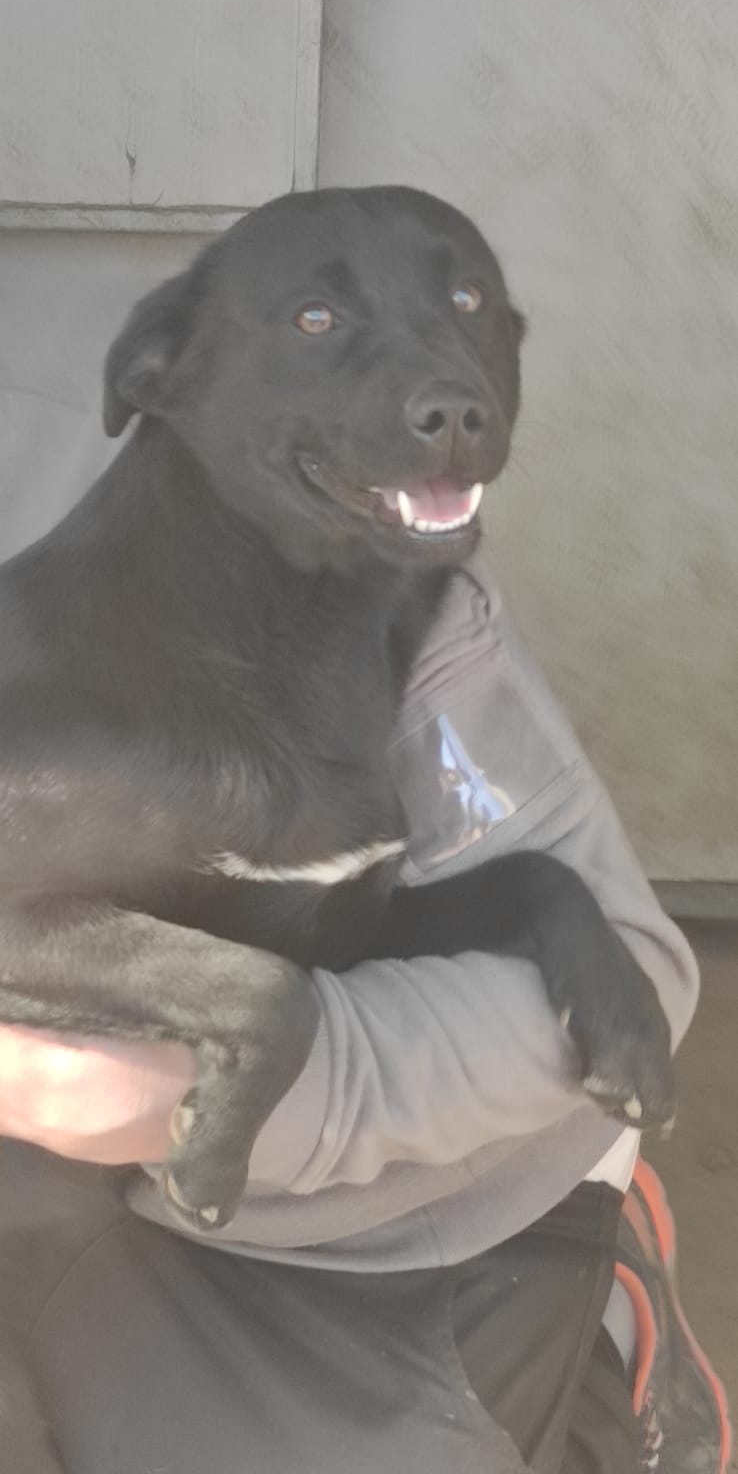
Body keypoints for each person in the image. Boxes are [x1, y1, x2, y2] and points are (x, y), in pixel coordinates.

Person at [0, 545, 729, 1474]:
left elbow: (643, 965)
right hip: (105, 1175)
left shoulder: (360, 563)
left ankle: (606, 1310)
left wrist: (206, 1090)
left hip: (409, 1219)